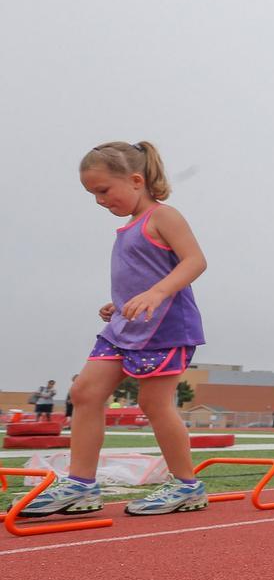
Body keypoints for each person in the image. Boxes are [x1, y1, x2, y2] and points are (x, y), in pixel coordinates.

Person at [10, 141, 208, 518]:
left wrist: (156, 292)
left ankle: (187, 485)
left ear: (136, 180)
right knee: (84, 392)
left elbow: (195, 261)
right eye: (92, 194)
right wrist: (121, 303)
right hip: (124, 326)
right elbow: (142, 273)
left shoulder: (164, 217)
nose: (99, 200)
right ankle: (81, 485)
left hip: (165, 328)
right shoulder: (128, 228)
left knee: (153, 403)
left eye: (103, 190)